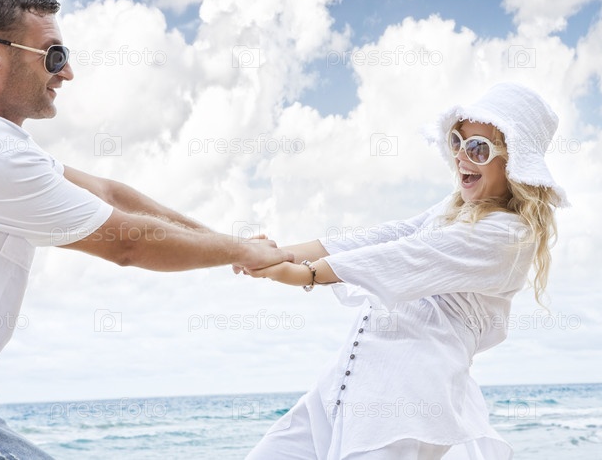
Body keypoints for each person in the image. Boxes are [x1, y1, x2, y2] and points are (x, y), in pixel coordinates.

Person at [0, 0, 292, 459]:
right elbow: (128, 243)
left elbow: (109, 193)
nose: (67, 73)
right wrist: (244, 251)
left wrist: (226, 242)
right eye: (53, 55)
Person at [244, 83, 569, 459]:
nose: (461, 156)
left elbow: (409, 256)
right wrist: (279, 254)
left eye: (478, 148)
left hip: (403, 404)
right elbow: (389, 235)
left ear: (513, 163)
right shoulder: (453, 210)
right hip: (345, 388)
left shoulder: (510, 234)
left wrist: (304, 274)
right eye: (457, 141)